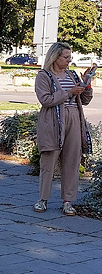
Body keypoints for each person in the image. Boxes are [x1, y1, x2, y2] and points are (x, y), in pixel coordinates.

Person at [35, 42, 94, 215]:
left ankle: (68, 201)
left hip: (74, 118)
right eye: (66, 57)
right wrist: (69, 93)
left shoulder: (72, 75)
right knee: (49, 159)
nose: (69, 60)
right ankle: (43, 199)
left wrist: (86, 84)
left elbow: (84, 100)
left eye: (70, 57)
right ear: (55, 57)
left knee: (72, 161)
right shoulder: (44, 76)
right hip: (53, 120)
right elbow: (45, 99)